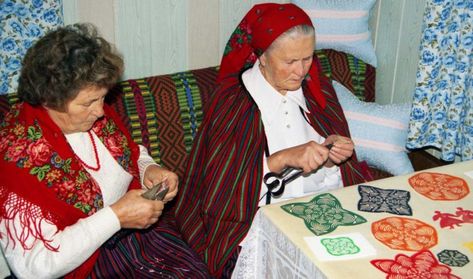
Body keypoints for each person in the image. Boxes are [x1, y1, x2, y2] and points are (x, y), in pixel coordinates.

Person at [174, 3, 373, 277]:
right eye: (290, 61)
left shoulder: (318, 90)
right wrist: (279, 160)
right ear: (262, 57)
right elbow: (219, 196)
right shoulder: (232, 102)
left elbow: (338, 182)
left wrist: (331, 160)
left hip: (319, 216)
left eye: (307, 59)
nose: (301, 71)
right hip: (254, 226)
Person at [0, 24, 209, 278]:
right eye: (89, 102)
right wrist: (116, 217)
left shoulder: (91, 115)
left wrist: (149, 169)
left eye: (102, 97)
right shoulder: (16, 158)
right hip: (83, 267)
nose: (101, 111)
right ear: (48, 100)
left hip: (134, 243)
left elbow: (131, 153)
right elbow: (33, 267)